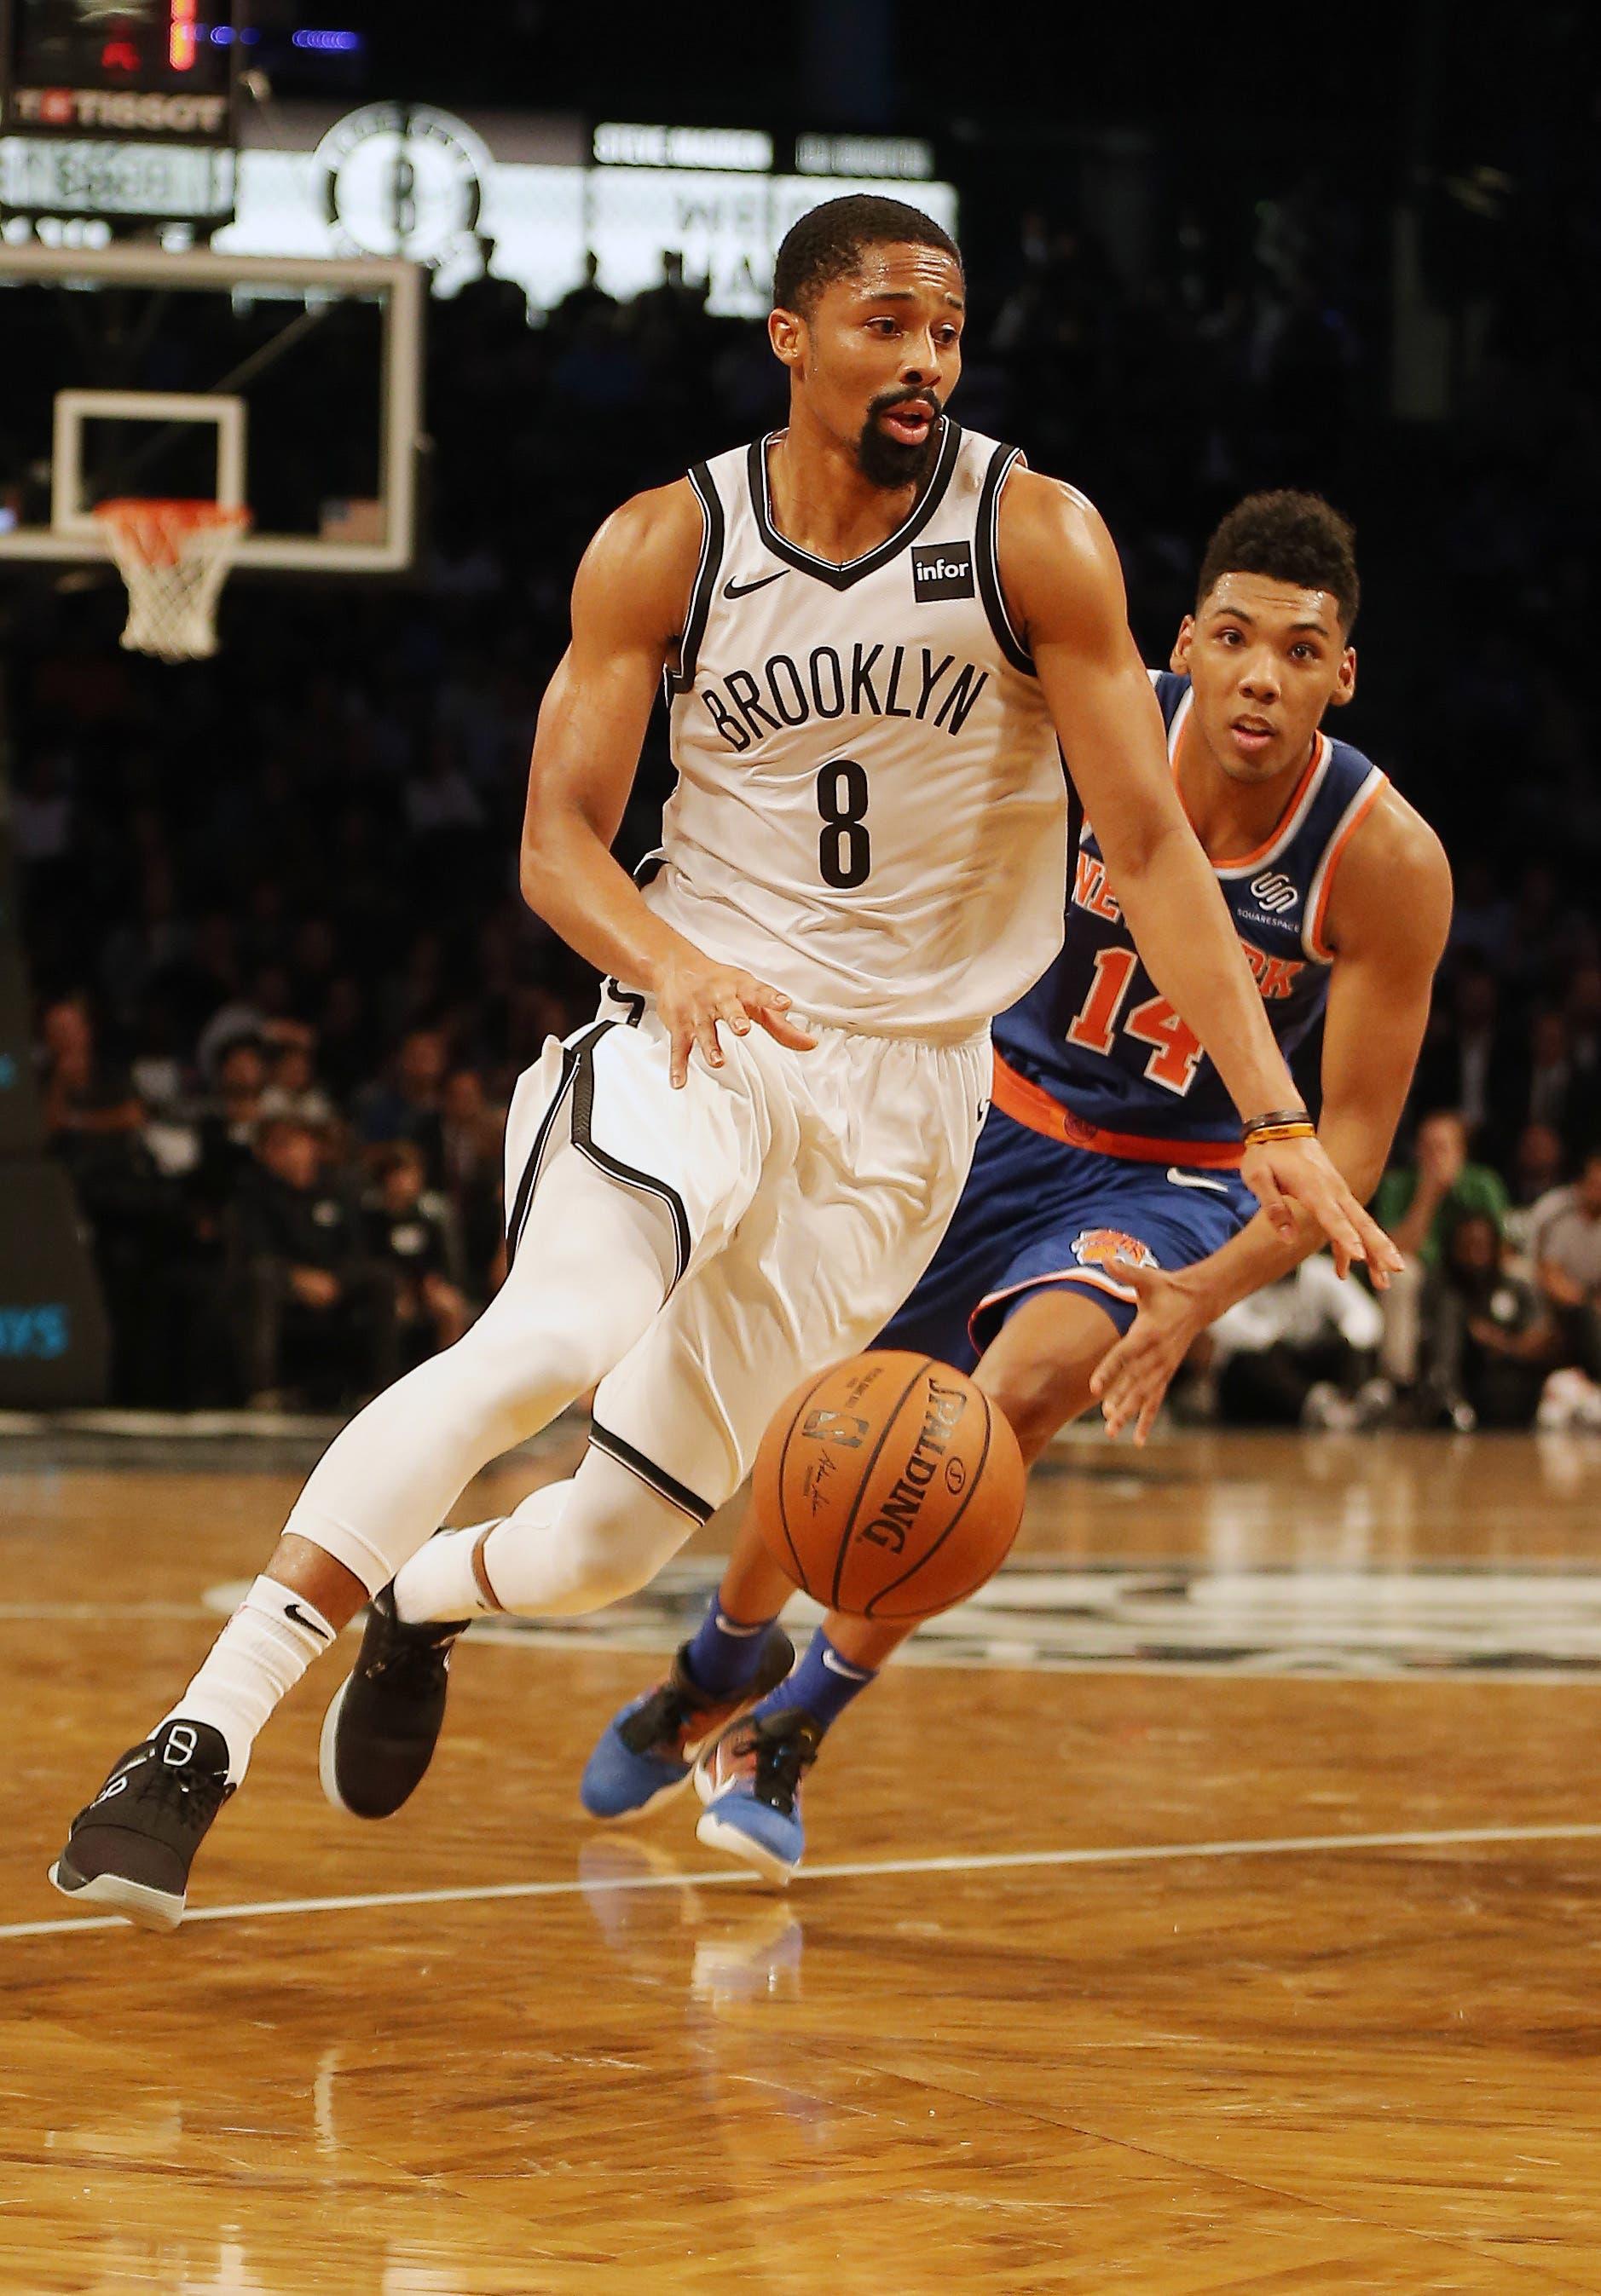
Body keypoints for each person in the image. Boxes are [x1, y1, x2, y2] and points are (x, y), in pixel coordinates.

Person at [52, 198, 1390, 1931]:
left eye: (949, 332)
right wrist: (672, 961)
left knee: (612, 1545)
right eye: (888, 324)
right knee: (547, 1339)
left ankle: (428, 1597)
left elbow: (1148, 847)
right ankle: (197, 1737)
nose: (924, 360)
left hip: (906, 1112)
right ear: (793, 335)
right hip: (698, 1031)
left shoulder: (1036, 537)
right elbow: (556, 846)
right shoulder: (661, 547)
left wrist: (1275, 1122)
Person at [581, 489, 1449, 1883]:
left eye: (1298, 651)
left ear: (1340, 675)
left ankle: (788, 1728)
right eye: (1231, 638)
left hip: (1170, 1176)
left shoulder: (1384, 857)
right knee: (833, 1420)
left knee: (1008, 1406)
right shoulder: (1091, 722)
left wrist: (1198, 1295)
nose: (1257, 675)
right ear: (1185, 640)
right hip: (983, 1111)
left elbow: (1346, 1145)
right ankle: (718, 1659)